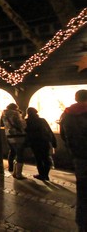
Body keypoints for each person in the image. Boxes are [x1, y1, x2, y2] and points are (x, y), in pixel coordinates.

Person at [60, 89, 87, 232]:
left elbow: (64, 135)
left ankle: (82, 220)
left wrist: (72, 148)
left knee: (82, 188)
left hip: (78, 155)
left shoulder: (67, 114)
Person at [25, 107, 56, 181]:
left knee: (38, 159)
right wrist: (53, 141)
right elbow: (49, 130)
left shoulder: (27, 121)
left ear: (28, 113)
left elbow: (26, 133)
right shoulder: (42, 120)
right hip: (44, 141)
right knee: (46, 158)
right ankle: (46, 175)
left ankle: (41, 174)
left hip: (34, 142)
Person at [1, 103, 27, 179]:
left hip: (8, 135)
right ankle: (18, 174)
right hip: (18, 136)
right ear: (15, 108)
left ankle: (12, 169)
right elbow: (21, 125)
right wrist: (23, 120)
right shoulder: (16, 113)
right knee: (20, 154)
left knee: (12, 151)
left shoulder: (3, 114)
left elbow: (1, 124)